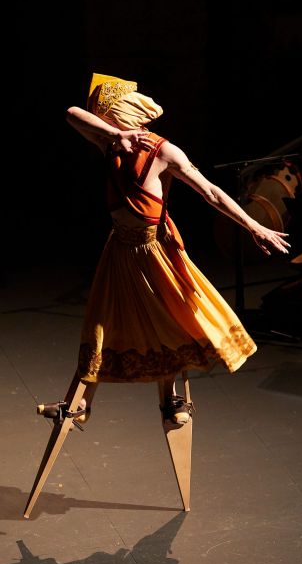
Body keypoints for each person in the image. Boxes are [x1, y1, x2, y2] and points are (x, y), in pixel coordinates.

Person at [57, 73, 290, 425]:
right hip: (119, 247)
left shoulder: (163, 150)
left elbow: (211, 192)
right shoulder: (111, 143)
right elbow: (72, 114)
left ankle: (170, 399)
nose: (105, 125)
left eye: (108, 118)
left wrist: (254, 226)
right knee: (102, 321)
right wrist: (117, 135)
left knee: (167, 319)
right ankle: (81, 403)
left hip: (152, 248)